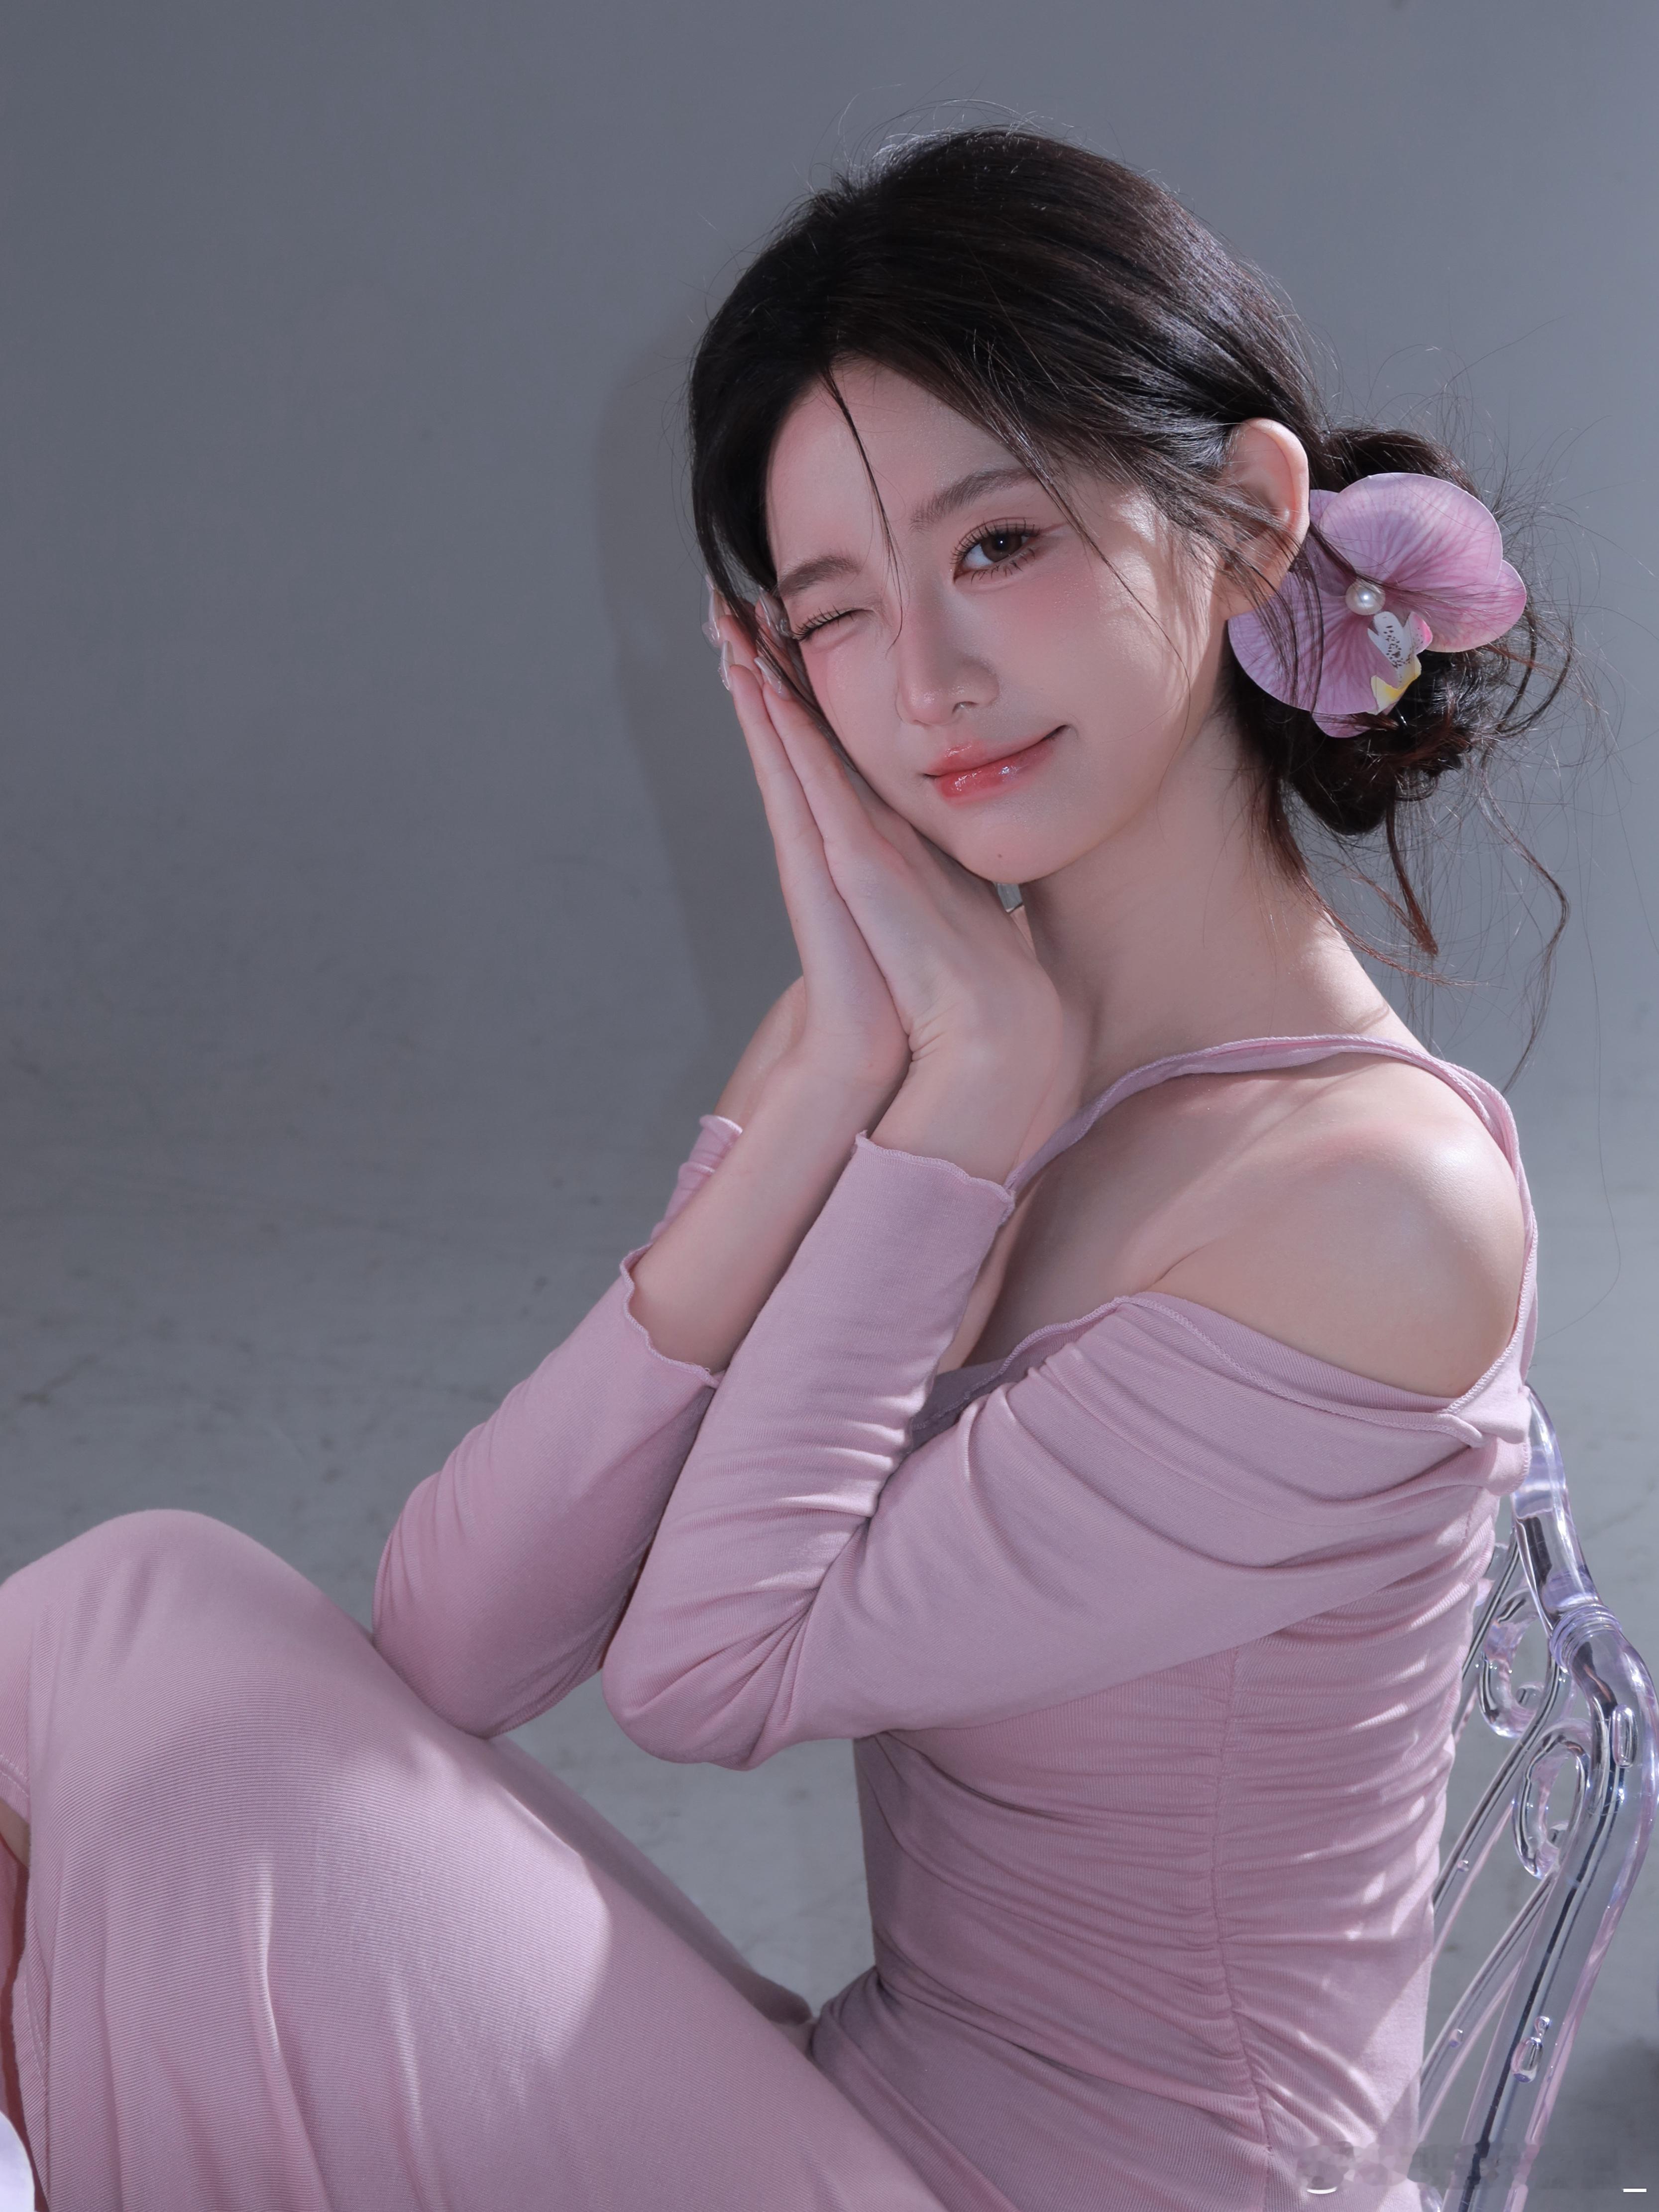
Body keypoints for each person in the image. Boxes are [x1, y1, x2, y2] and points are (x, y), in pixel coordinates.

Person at [0, 127, 1562, 2211]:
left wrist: (965, 1098)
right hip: (864, 2114)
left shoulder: (1363, 1206)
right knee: (146, 1600)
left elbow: (701, 1669)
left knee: (196, 1780)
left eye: (996, 544)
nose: (926, 682)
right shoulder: (916, 1042)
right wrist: (845, 1071)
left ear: (1252, 517)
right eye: (835, 614)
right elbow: (452, 1638)